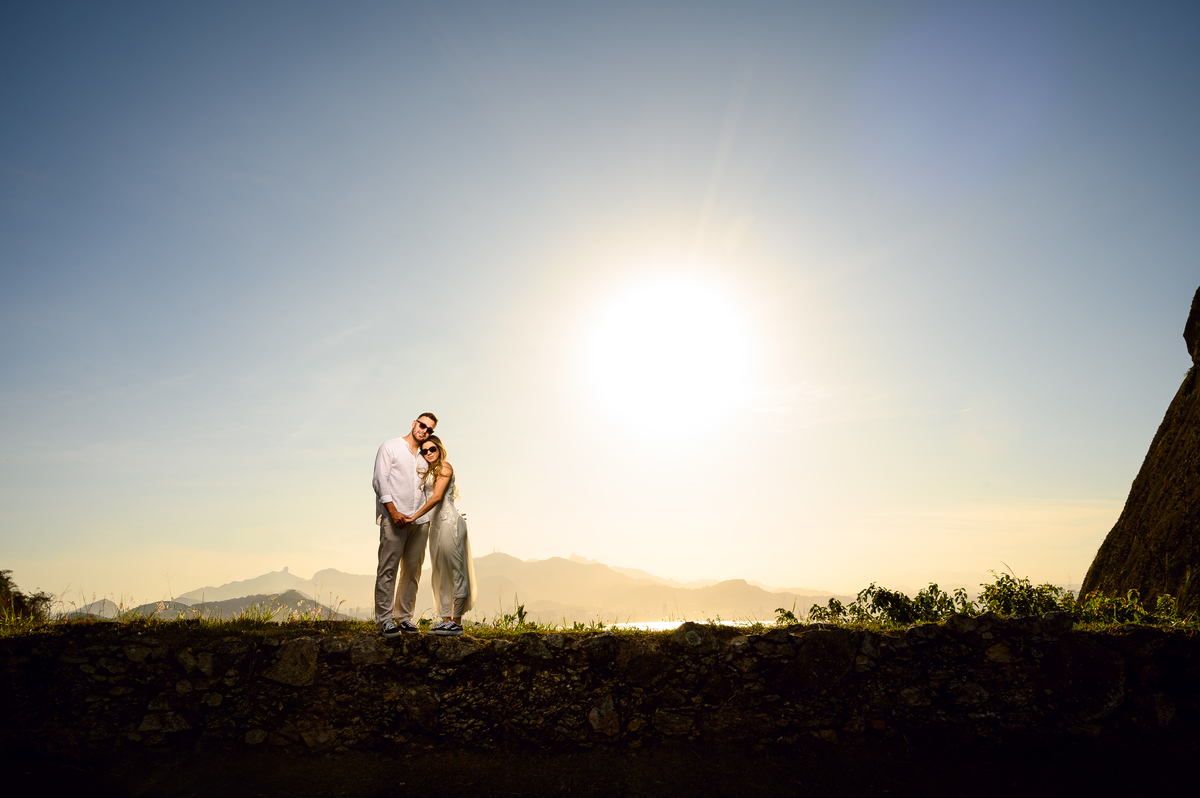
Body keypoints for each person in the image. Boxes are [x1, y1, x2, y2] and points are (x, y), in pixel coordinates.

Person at [371, 412, 438, 638]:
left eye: (430, 430)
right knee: (387, 568)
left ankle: (403, 617)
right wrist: (393, 512)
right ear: (413, 423)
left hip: (420, 522)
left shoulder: (427, 455)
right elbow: (380, 480)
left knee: (412, 571)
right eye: (422, 425)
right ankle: (384, 619)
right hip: (394, 519)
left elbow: (432, 490)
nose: (425, 431)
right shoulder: (390, 447)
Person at [410, 434, 476, 636]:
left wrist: (412, 517)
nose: (428, 453)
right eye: (424, 451)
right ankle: (445, 620)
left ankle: (456, 622)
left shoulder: (445, 467)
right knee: (440, 572)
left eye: (432, 449)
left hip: (449, 524)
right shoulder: (429, 473)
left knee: (456, 570)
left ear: (439, 450)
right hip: (436, 526)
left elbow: (438, 497)